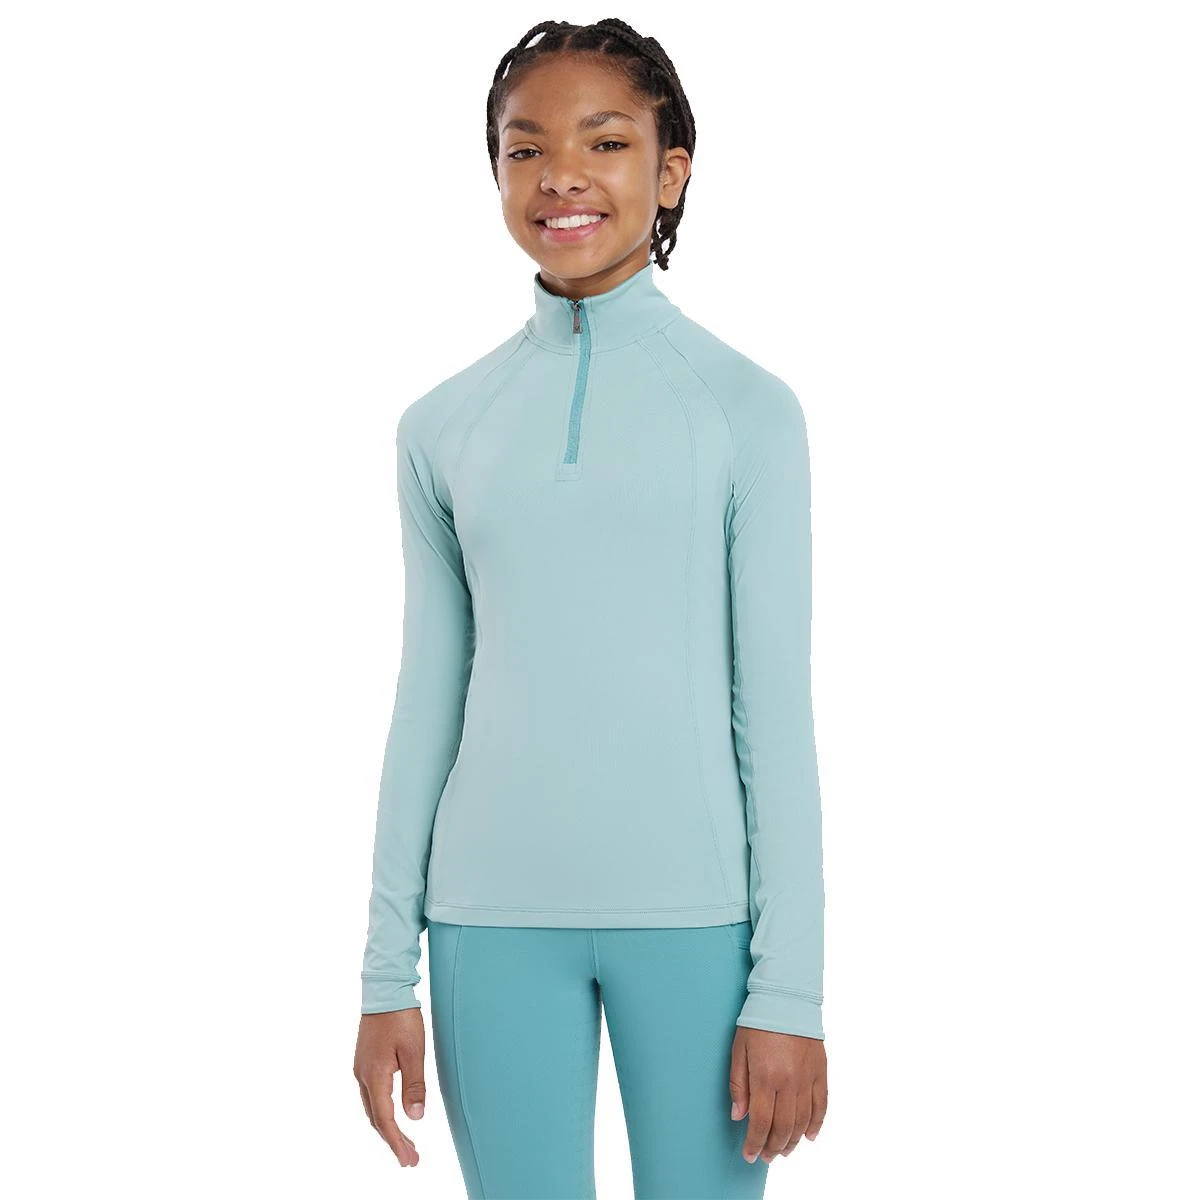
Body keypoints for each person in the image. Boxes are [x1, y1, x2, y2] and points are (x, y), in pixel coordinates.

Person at [352, 17, 828, 1198]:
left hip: (700, 926)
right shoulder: (442, 427)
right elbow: (428, 701)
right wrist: (383, 974)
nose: (561, 174)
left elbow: (774, 713)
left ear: (670, 172)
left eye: (604, 141)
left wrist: (790, 991)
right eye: (526, 149)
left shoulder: (746, 412)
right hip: (487, 924)